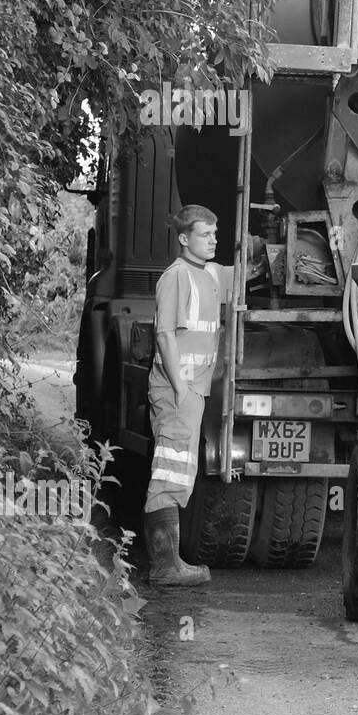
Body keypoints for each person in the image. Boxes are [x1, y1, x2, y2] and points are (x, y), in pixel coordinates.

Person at [143, 204, 234, 586]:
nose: (213, 240)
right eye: (205, 234)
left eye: (215, 233)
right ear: (184, 239)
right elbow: (165, 333)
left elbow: (244, 273)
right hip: (178, 391)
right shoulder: (177, 276)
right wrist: (181, 389)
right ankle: (165, 567)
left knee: (180, 472)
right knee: (169, 474)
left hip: (194, 391)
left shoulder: (209, 274)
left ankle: (171, 563)